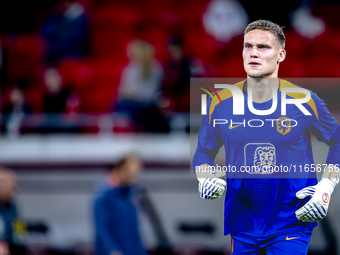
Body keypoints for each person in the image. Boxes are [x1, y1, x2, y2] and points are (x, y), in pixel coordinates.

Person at [192, 20, 340, 254]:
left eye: (263, 47)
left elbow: (338, 141)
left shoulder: (304, 100)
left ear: (281, 55)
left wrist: (327, 186)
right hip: (242, 221)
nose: (253, 53)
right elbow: (203, 152)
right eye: (248, 46)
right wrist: (204, 176)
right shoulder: (219, 102)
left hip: (291, 220)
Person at [93, 154, 147, 255]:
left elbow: (134, 232)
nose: (135, 176)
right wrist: (113, 250)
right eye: (132, 172)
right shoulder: (105, 195)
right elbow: (103, 228)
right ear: (121, 169)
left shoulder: (130, 195)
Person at [0, 167, 26, 255]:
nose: (14, 190)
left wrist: (19, 243)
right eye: (11, 186)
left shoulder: (14, 207)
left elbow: (20, 234)